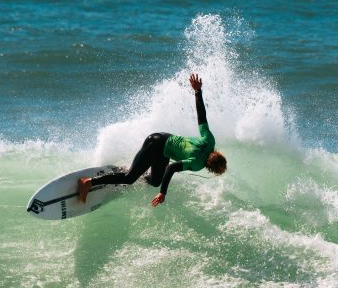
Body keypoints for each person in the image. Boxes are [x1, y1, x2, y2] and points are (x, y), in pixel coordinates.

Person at [77, 73, 227, 207]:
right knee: (129, 179)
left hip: (163, 145)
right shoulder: (197, 164)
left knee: (155, 181)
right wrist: (163, 193)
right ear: (210, 168)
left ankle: (131, 171)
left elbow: (202, 116)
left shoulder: (209, 141)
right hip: (156, 144)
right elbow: (171, 168)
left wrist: (197, 91)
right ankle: (88, 182)